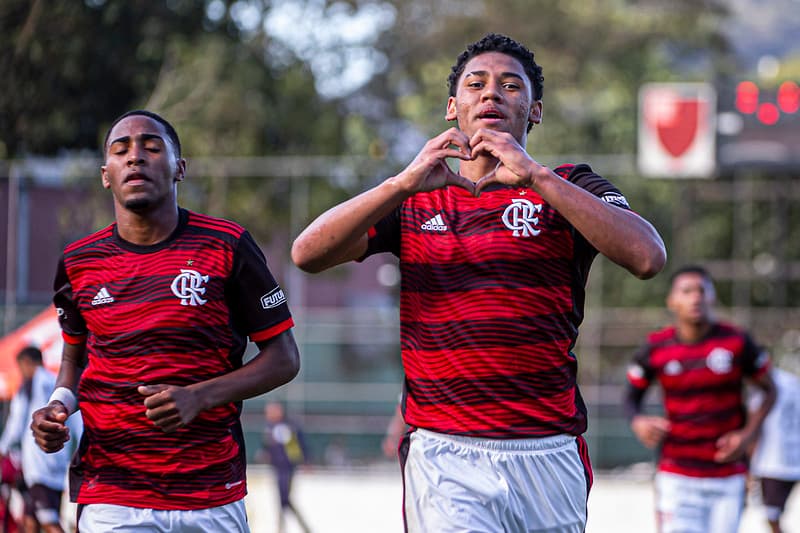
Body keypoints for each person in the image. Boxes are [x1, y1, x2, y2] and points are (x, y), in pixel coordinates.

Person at [291, 32, 667, 532]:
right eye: (476, 84)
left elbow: (647, 257)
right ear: (453, 107)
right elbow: (307, 254)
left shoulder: (569, 185)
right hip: (445, 454)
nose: (492, 92)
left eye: (511, 85)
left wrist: (537, 177)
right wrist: (400, 183)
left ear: (534, 111)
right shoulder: (413, 198)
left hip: (548, 450)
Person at [29, 109, 301, 532]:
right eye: (121, 150)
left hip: (211, 492)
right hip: (112, 494)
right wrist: (58, 406)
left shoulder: (227, 245)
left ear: (180, 168)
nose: (135, 156)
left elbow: (284, 358)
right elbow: (75, 361)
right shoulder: (79, 262)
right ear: (106, 175)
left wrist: (199, 397)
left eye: (152, 147)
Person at [624, 264, 777, 533]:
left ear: (712, 297)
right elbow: (630, 396)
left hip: (727, 474)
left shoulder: (736, 341)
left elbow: (769, 390)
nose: (695, 297)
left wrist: (747, 435)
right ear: (672, 301)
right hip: (676, 474)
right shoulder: (656, 347)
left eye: (702, 290)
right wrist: (638, 421)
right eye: (686, 291)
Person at [0, 346, 82, 533]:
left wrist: (3, 448)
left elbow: (16, 424)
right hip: (57, 464)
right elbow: (77, 423)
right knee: (31, 520)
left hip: (38, 466)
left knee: (48, 521)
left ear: (26, 363)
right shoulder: (60, 385)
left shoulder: (30, 385)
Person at [748, 364, 800, 533]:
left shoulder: (763, 384)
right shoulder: (792, 381)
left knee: (771, 517)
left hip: (773, 463)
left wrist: (749, 466)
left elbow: (755, 427)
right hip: (792, 458)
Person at [257, 402, 311, 533]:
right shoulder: (270, 428)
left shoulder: (288, 426)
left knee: (284, 499)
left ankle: (286, 528)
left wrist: (304, 461)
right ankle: (287, 528)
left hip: (287, 467)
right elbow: (267, 447)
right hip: (277, 467)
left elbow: (297, 446)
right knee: (283, 499)